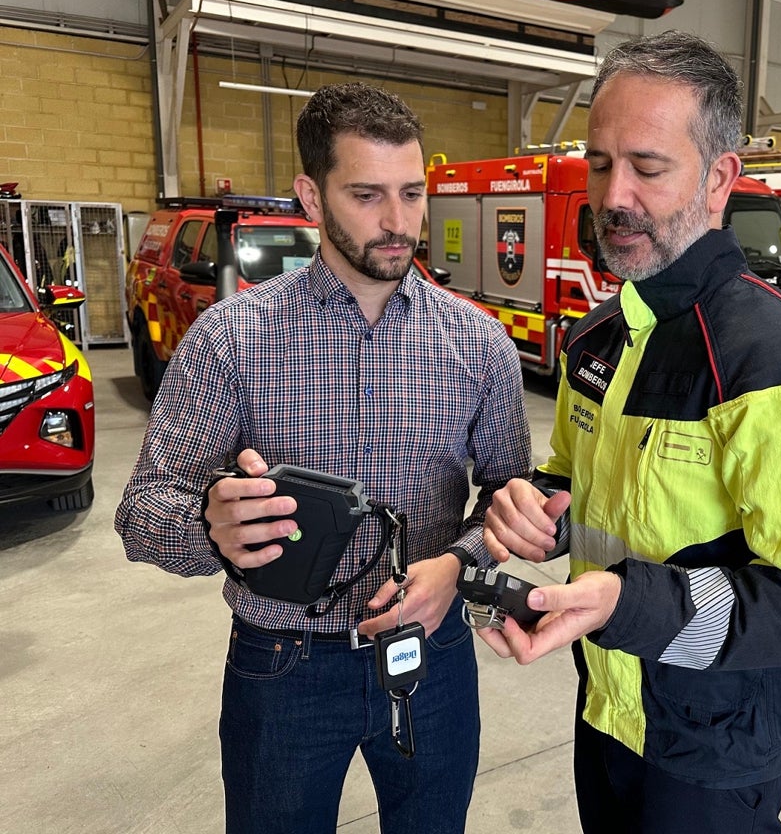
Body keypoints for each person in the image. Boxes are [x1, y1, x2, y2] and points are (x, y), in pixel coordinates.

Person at [115, 82, 531, 834]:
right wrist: (211, 527)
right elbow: (141, 515)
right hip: (282, 666)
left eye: (412, 193)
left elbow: (508, 491)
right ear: (312, 196)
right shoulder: (231, 339)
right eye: (368, 195)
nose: (399, 222)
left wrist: (459, 565)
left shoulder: (480, 346)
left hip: (431, 657)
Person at [477, 31, 781, 833]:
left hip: (713, 753)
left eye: (648, 168)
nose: (613, 195)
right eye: (598, 163)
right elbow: (577, 483)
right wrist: (538, 506)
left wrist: (627, 602)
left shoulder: (780, 359)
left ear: (720, 178)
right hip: (606, 715)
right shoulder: (598, 335)